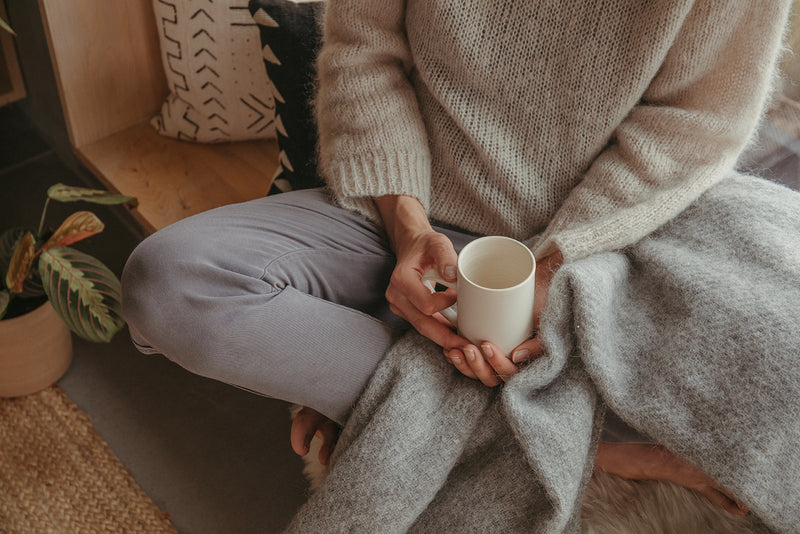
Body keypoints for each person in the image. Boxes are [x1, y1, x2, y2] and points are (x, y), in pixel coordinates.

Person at [122, 0, 791, 518]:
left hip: (601, 235)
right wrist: (408, 227)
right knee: (168, 284)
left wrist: (553, 266)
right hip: (402, 213)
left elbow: (694, 125)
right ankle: (596, 448)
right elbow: (363, 53)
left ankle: (392, 389)